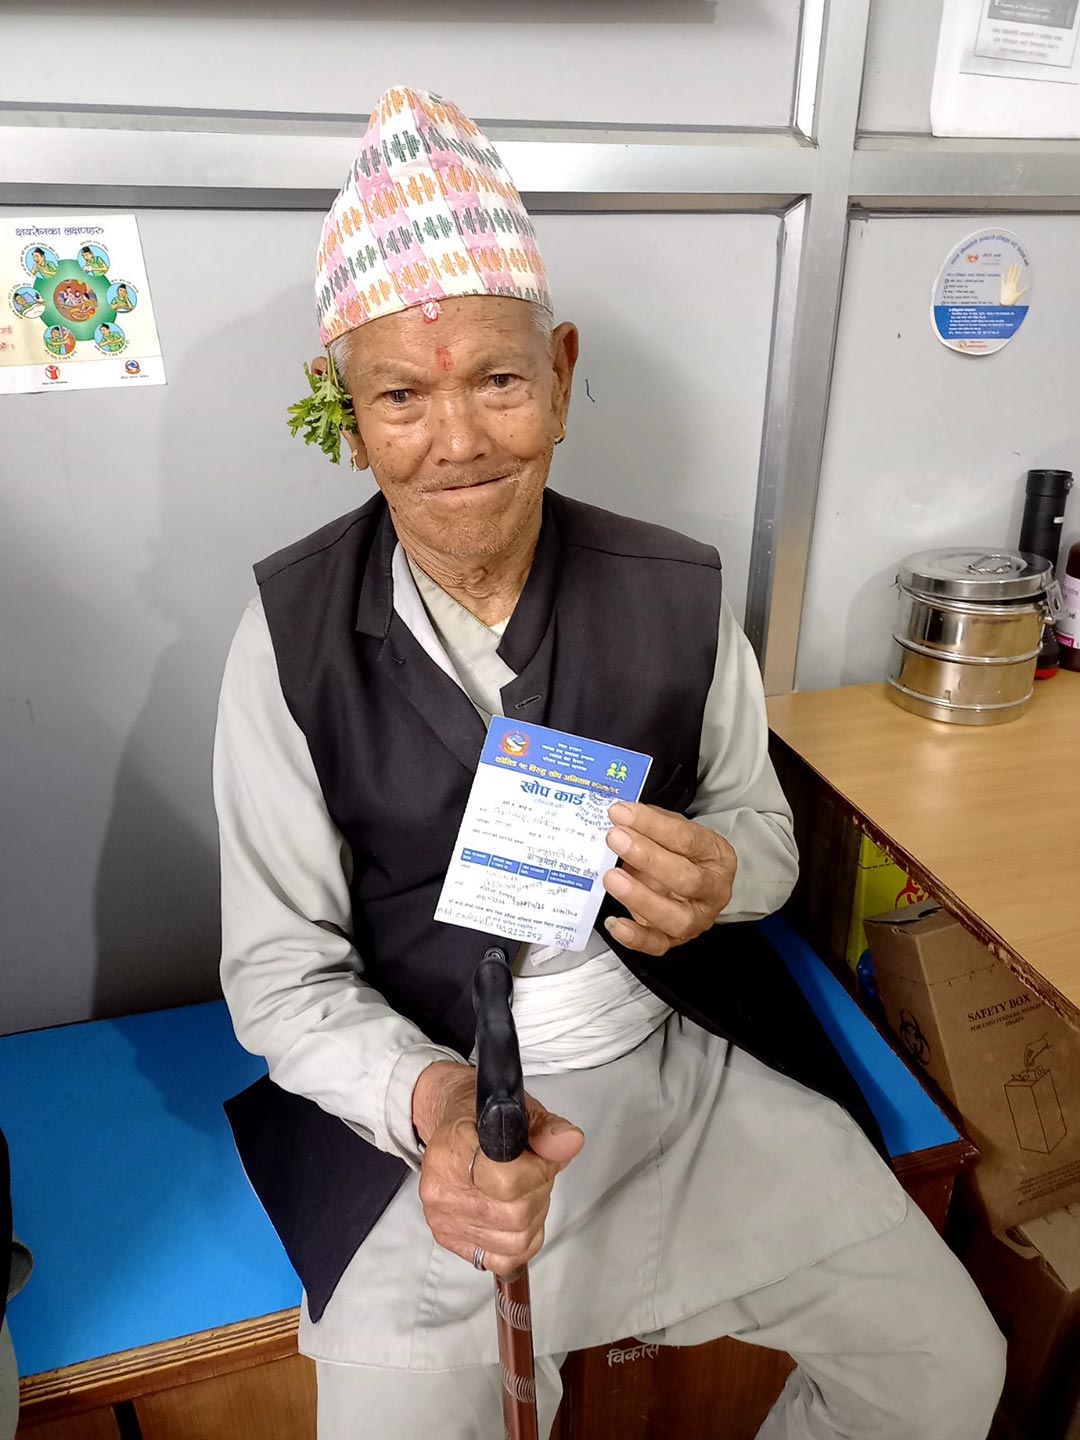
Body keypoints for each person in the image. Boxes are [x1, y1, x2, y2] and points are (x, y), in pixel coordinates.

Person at [215, 85, 1006, 1440]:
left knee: (947, 1365)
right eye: (402, 395)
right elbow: (280, 972)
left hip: (677, 1055)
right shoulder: (286, 639)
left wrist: (721, 880)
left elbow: (761, 831)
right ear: (347, 417)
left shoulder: (677, 588)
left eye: (500, 380)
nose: (458, 440)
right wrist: (433, 1100)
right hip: (438, 1114)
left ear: (565, 374)